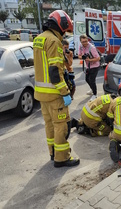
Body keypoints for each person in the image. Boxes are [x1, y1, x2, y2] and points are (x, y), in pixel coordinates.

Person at [33, 10, 80, 168]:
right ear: (60, 25)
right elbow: (55, 72)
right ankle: (62, 158)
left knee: (50, 125)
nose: (65, 34)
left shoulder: (39, 39)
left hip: (41, 93)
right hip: (54, 94)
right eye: (65, 31)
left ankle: (53, 153)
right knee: (61, 126)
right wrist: (65, 92)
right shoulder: (54, 41)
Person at [78, 34, 100, 101]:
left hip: (95, 66)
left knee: (92, 80)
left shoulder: (92, 48)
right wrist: (83, 57)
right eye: (83, 42)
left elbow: (98, 58)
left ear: (87, 40)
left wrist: (90, 60)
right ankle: (92, 89)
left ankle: (95, 94)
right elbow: (79, 56)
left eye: (85, 41)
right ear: (80, 42)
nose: (84, 43)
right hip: (88, 66)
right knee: (87, 79)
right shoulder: (81, 46)